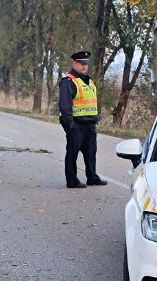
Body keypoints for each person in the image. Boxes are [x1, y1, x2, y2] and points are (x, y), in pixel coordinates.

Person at [58, 50, 107, 189]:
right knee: (72, 153)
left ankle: (92, 178)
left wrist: (96, 117)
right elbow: (65, 104)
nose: (84, 66)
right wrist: (70, 124)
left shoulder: (89, 81)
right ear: (74, 63)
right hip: (76, 124)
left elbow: (91, 102)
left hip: (90, 124)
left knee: (91, 153)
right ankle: (72, 181)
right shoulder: (69, 81)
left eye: (86, 64)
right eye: (81, 64)